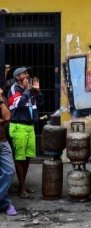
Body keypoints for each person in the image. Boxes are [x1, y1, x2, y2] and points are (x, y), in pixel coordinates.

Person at [7, 67, 44, 199]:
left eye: (27, 73)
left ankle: (23, 184)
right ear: (17, 77)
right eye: (24, 74)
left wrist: (37, 91)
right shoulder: (14, 90)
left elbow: (41, 102)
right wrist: (28, 90)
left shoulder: (29, 89)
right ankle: (22, 187)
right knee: (19, 157)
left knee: (27, 156)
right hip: (18, 126)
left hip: (29, 126)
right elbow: (19, 104)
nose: (27, 75)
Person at [0, 87, 17, 216]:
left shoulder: (1, 99)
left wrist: (0, 101)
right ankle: (6, 203)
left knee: (9, 171)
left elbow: (7, 117)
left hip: (2, 141)